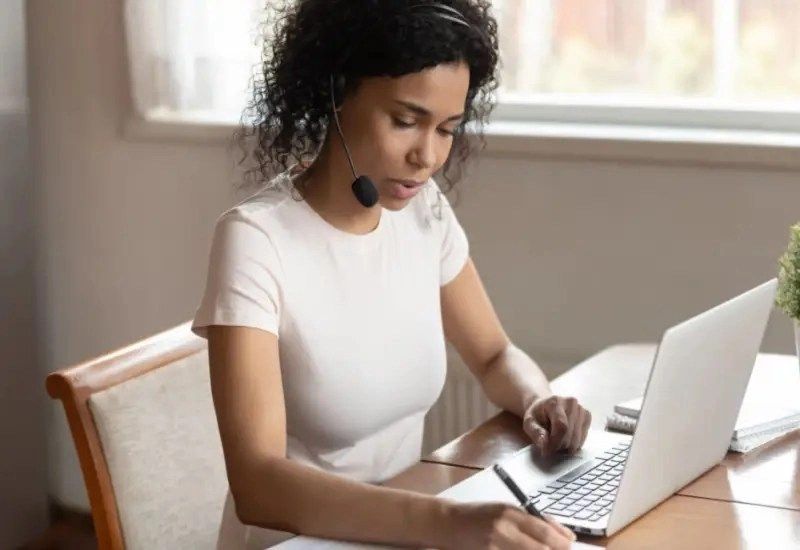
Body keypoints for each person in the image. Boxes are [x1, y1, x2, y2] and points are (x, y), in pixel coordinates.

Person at [191, 1, 591, 548]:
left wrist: (538, 400)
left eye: (448, 129)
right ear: (336, 93)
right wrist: (445, 523)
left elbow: (495, 356)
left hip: (400, 532)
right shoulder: (257, 240)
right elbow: (257, 485)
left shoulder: (424, 212)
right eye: (405, 121)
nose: (426, 156)